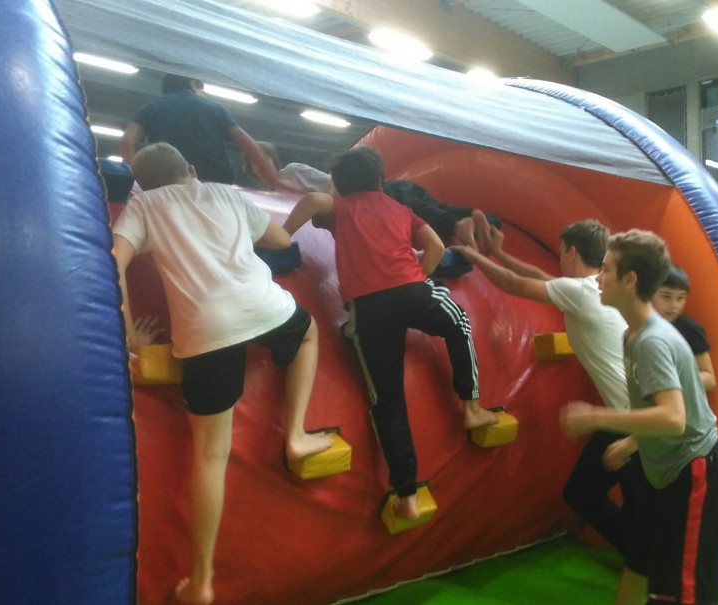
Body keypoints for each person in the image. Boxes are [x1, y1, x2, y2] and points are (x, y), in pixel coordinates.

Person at [112, 143, 333, 605]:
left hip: (205, 330)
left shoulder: (144, 206)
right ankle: (295, 434)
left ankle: (202, 582)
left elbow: (114, 260)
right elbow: (280, 240)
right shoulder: (226, 193)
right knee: (308, 333)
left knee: (210, 456)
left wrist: (130, 333)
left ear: (143, 185)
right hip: (265, 308)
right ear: (191, 169)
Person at [283, 146, 498, 521]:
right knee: (459, 323)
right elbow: (435, 245)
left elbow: (315, 201)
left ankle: (407, 494)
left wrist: (283, 234)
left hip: (370, 310)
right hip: (413, 292)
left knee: (387, 400)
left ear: (339, 185)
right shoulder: (401, 209)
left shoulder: (340, 207)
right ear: (381, 181)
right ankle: (472, 408)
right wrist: (421, 274)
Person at [452, 220, 648, 563]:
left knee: (599, 496)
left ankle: (646, 563)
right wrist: (498, 253)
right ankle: (642, 559)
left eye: (561, 252)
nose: (559, 259)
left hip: (636, 424)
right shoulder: (596, 287)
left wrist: (474, 256)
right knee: (595, 495)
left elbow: (515, 284)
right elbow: (539, 277)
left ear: (571, 251)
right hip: (624, 416)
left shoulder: (583, 292)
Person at [561, 229, 718, 605]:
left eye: (605, 269)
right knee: (637, 566)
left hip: (692, 469)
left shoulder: (653, 341)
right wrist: (631, 442)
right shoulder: (632, 336)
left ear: (630, 280)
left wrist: (596, 417)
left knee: (684, 590)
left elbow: (673, 417)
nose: (597, 278)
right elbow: (652, 408)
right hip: (660, 470)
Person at [248, 149, 493, 254]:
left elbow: (328, 183)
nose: (260, 166)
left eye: (262, 159)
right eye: (253, 165)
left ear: (273, 157)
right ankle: (479, 219)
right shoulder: (268, 193)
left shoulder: (292, 171)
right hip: (378, 189)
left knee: (417, 209)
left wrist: (339, 200)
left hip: (369, 193)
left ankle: (460, 225)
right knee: (427, 206)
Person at [119, 73, 284, 190]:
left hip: (170, 183)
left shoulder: (151, 108)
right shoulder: (213, 107)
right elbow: (248, 144)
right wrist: (274, 180)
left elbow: (127, 140)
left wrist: (136, 177)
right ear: (193, 84)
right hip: (216, 183)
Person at [651, 264, 717, 392]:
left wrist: (670, 383)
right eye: (666, 296)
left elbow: (709, 379)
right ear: (650, 293)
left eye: (680, 298)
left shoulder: (689, 329)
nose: (674, 305)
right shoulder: (640, 326)